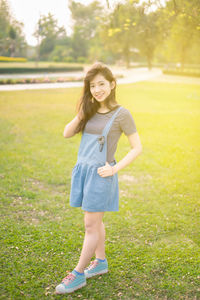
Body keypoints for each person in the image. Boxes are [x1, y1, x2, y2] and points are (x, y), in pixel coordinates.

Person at [55, 62, 142, 294]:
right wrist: (82, 112)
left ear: (112, 85)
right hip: (84, 171)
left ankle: (78, 273)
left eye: (101, 84)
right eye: (92, 85)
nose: (97, 89)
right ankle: (100, 262)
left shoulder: (122, 114)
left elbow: (137, 148)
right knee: (95, 221)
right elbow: (67, 133)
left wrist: (115, 169)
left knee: (90, 224)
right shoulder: (90, 110)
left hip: (102, 174)